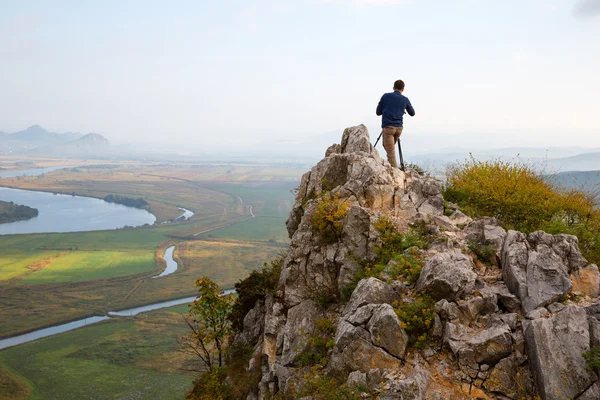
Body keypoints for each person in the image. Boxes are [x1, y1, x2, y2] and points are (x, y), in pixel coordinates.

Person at [376, 80, 415, 167]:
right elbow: (412, 113)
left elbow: (378, 112)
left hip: (388, 127)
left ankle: (394, 171)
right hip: (399, 128)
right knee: (387, 147)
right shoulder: (405, 99)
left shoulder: (385, 96)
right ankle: (389, 165)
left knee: (390, 152)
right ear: (403, 89)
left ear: (393, 88)